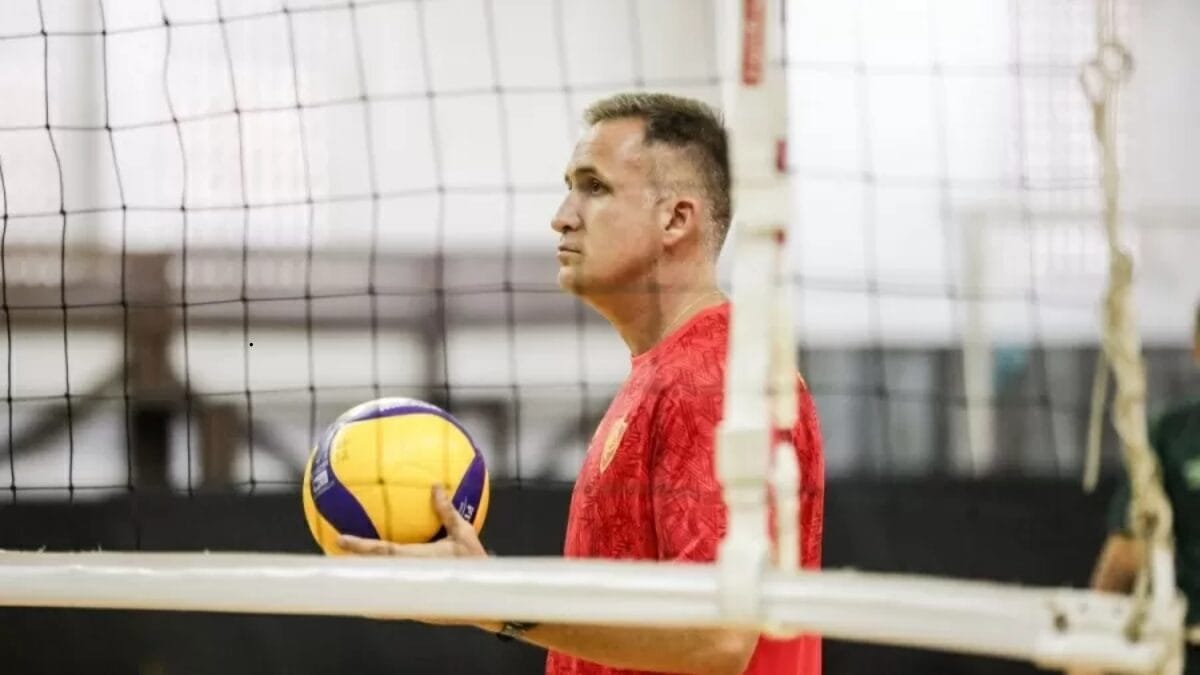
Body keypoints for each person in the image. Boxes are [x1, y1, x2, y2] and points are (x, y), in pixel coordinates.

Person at [340, 92, 826, 675]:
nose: (563, 214)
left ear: (676, 219)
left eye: (594, 187)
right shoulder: (671, 370)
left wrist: (492, 601)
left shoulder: (710, 377)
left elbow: (715, 638)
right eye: (572, 185)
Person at [1078, 302, 1200, 674]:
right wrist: (1087, 655)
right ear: (1197, 347)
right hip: (1182, 647)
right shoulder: (1171, 432)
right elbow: (1126, 552)